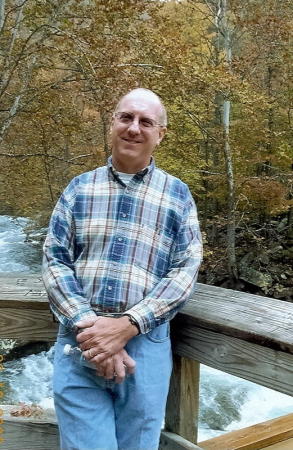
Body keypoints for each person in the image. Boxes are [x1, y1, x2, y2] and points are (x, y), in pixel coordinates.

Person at [42, 87, 202, 450]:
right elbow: (55, 258)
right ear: (112, 123)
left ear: (160, 134)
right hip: (79, 341)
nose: (134, 128)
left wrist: (127, 325)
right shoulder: (79, 188)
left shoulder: (178, 195)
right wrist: (93, 329)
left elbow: (185, 268)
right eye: (125, 117)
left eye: (146, 121)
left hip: (145, 345)